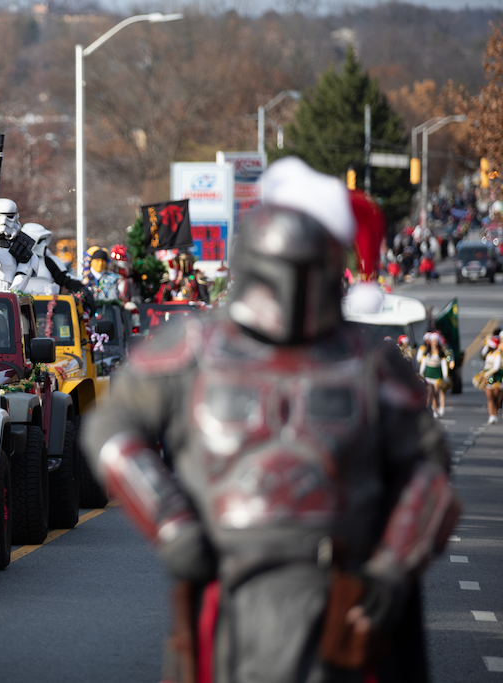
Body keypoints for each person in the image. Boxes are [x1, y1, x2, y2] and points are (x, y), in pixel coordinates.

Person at [82, 157, 457, 683]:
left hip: (345, 585)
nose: (293, 289)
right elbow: (111, 428)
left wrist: (393, 566)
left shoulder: (369, 363)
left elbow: (428, 470)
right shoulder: (192, 350)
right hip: (225, 578)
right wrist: (172, 522)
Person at [419, 332, 449, 417]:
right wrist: (421, 373)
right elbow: (423, 363)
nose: (434, 343)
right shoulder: (426, 352)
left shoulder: (440, 352)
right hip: (428, 375)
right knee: (429, 392)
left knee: (435, 393)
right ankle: (428, 409)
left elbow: (443, 364)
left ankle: (435, 410)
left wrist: (445, 376)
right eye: (432, 341)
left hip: (437, 376)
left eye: (435, 341)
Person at [475, 334, 503, 423]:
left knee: (496, 398)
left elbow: (496, 368)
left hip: (496, 377)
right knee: (490, 397)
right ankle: (491, 416)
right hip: (487, 378)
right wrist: (486, 343)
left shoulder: (497, 354)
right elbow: (482, 355)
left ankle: (495, 413)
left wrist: (486, 374)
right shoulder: (488, 354)